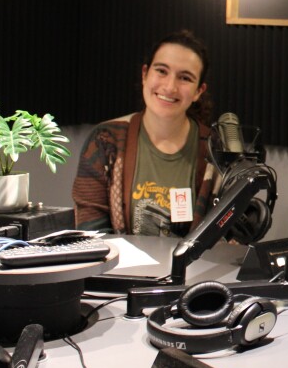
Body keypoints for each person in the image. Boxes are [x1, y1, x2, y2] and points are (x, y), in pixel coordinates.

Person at [73, 30, 218, 236]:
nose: (170, 86)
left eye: (184, 78)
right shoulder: (105, 140)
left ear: (198, 91)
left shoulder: (217, 151)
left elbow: (228, 239)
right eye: (161, 71)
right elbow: (91, 233)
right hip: (117, 268)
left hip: (194, 269)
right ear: (144, 74)